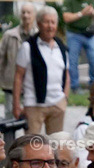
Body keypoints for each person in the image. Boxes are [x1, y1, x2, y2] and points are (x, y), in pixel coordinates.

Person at [12, 6, 68, 135]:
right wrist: (16, 105)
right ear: (38, 24)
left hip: (57, 104)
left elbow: (66, 73)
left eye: (53, 22)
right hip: (34, 105)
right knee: (32, 145)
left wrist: (65, 97)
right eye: (46, 22)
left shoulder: (61, 47)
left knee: (56, 146)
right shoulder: (28, 47)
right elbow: (18, 76)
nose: (50, 26)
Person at [0, 3, 36, 114]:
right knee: (10, 116)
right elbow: (1, 58)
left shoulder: (39, 36)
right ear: (20, 15)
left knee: (30, 118)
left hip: (31, 85)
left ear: (34, 15)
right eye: (23, 12)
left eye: (29, 12)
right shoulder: (9, 35)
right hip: (10, 83)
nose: (26, 15)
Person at [62, 0, 94, 93]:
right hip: (73, 33)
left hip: (88, 33)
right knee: (73, 60)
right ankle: (75, 86)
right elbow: (66, 18)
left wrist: (93, 13)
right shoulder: (68, 2)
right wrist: (82, 13)